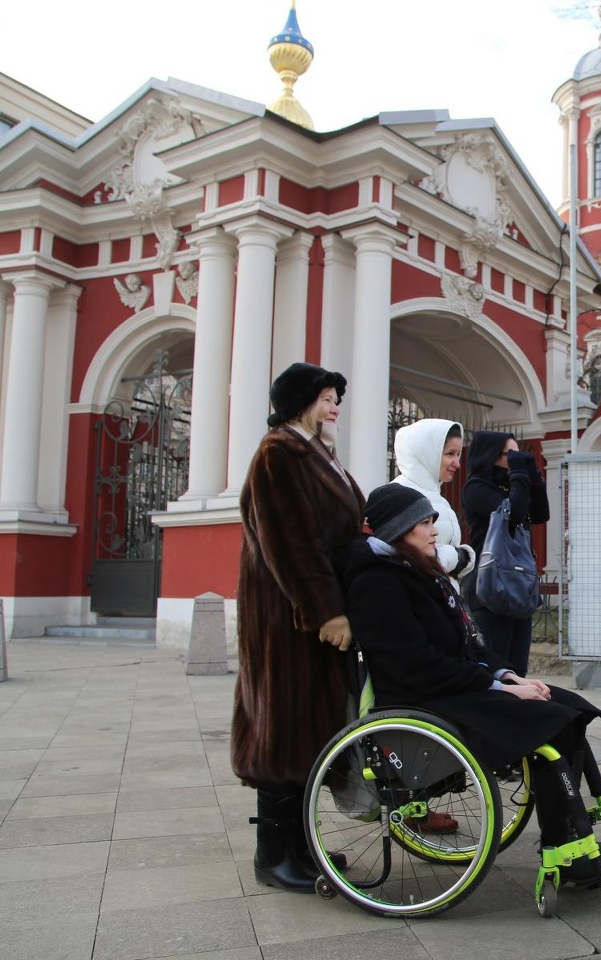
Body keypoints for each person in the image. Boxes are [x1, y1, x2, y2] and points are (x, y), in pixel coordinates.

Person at [338, 483, 601, 884]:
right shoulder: (377, 583)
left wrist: (508, 675)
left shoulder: (417, 571)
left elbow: (469, 642)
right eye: (424, 522)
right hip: (425, 699)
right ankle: (564, 853)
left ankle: (573, 840)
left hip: (451, 687)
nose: (434, 530)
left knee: (570, 708)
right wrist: (499, 690)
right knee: (550, 723)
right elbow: (415, 665)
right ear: (398, 531)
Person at [232, 361, 366, 893]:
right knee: (283, 729)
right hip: (285, 619)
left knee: (313, 731)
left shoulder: (317, 454)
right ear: (301, 400)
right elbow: (289, 540)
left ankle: (304, 847)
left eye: (337, 396)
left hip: (310, 617)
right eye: (328, 396)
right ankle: (273, 855)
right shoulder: (278, 453)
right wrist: (325, 611)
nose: (335, 405)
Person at [460, 430, 548, 675]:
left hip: (518, 584)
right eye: (511, 454)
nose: (515, 459)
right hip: (490, 587)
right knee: (498, 668)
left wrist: (533, 477)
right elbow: (515, 513)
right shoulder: (476, 489)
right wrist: (519, 475)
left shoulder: (510, 486)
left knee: (518, 670)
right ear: (491, 456)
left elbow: (540, 514)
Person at [390, 418, 475, 585]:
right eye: (450, 454)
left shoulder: (439, 498)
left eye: (458, 454)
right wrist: (456, 556)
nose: (457, 463)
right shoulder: (400, 494)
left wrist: (461, 557)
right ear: (428, 453)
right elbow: (402, 557)